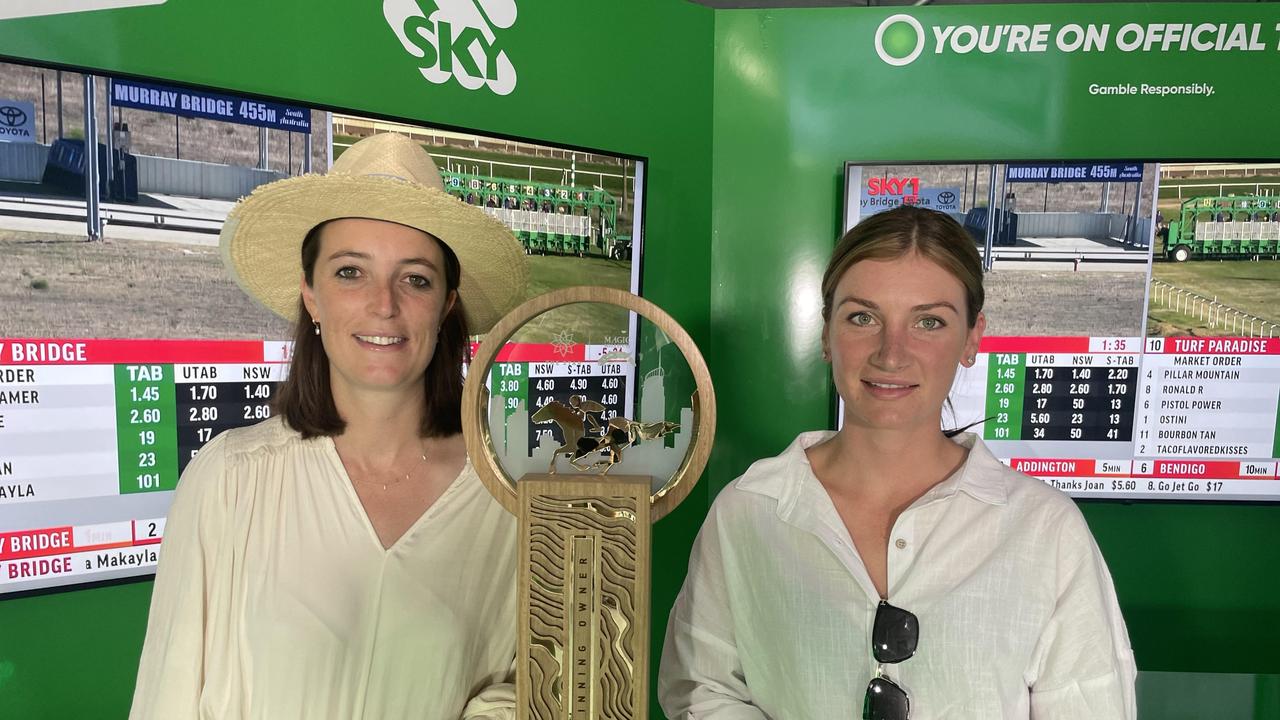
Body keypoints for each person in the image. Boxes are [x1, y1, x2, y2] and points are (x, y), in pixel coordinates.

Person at [659, 206, 1135, 719]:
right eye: (862, 318)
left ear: (973, 337)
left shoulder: (1046, 530)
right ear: (825, 334)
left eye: (929, 322)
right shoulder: (748, 514)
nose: (891, 353)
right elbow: (701, 691)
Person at [130, 133, 529, 720]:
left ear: (446, 306)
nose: (384, 304)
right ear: (310, 296)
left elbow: (537, 684)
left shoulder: (510, 500)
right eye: (350, 272)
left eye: (415, 278)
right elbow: (167, 699)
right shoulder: (230, 481)